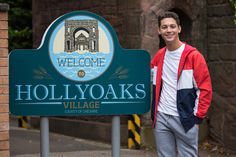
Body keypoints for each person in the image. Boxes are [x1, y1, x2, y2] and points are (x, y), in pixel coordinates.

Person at [151, 11, 212, 157]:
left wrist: (197, 118)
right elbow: (151, 79)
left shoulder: (193, 56)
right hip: (161, 117)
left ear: (179, 28)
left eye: (172, 26)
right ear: (159, 31)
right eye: (164, 27)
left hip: (184, 118)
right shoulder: (159, 56)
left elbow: (205, 90)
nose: (169, 30)